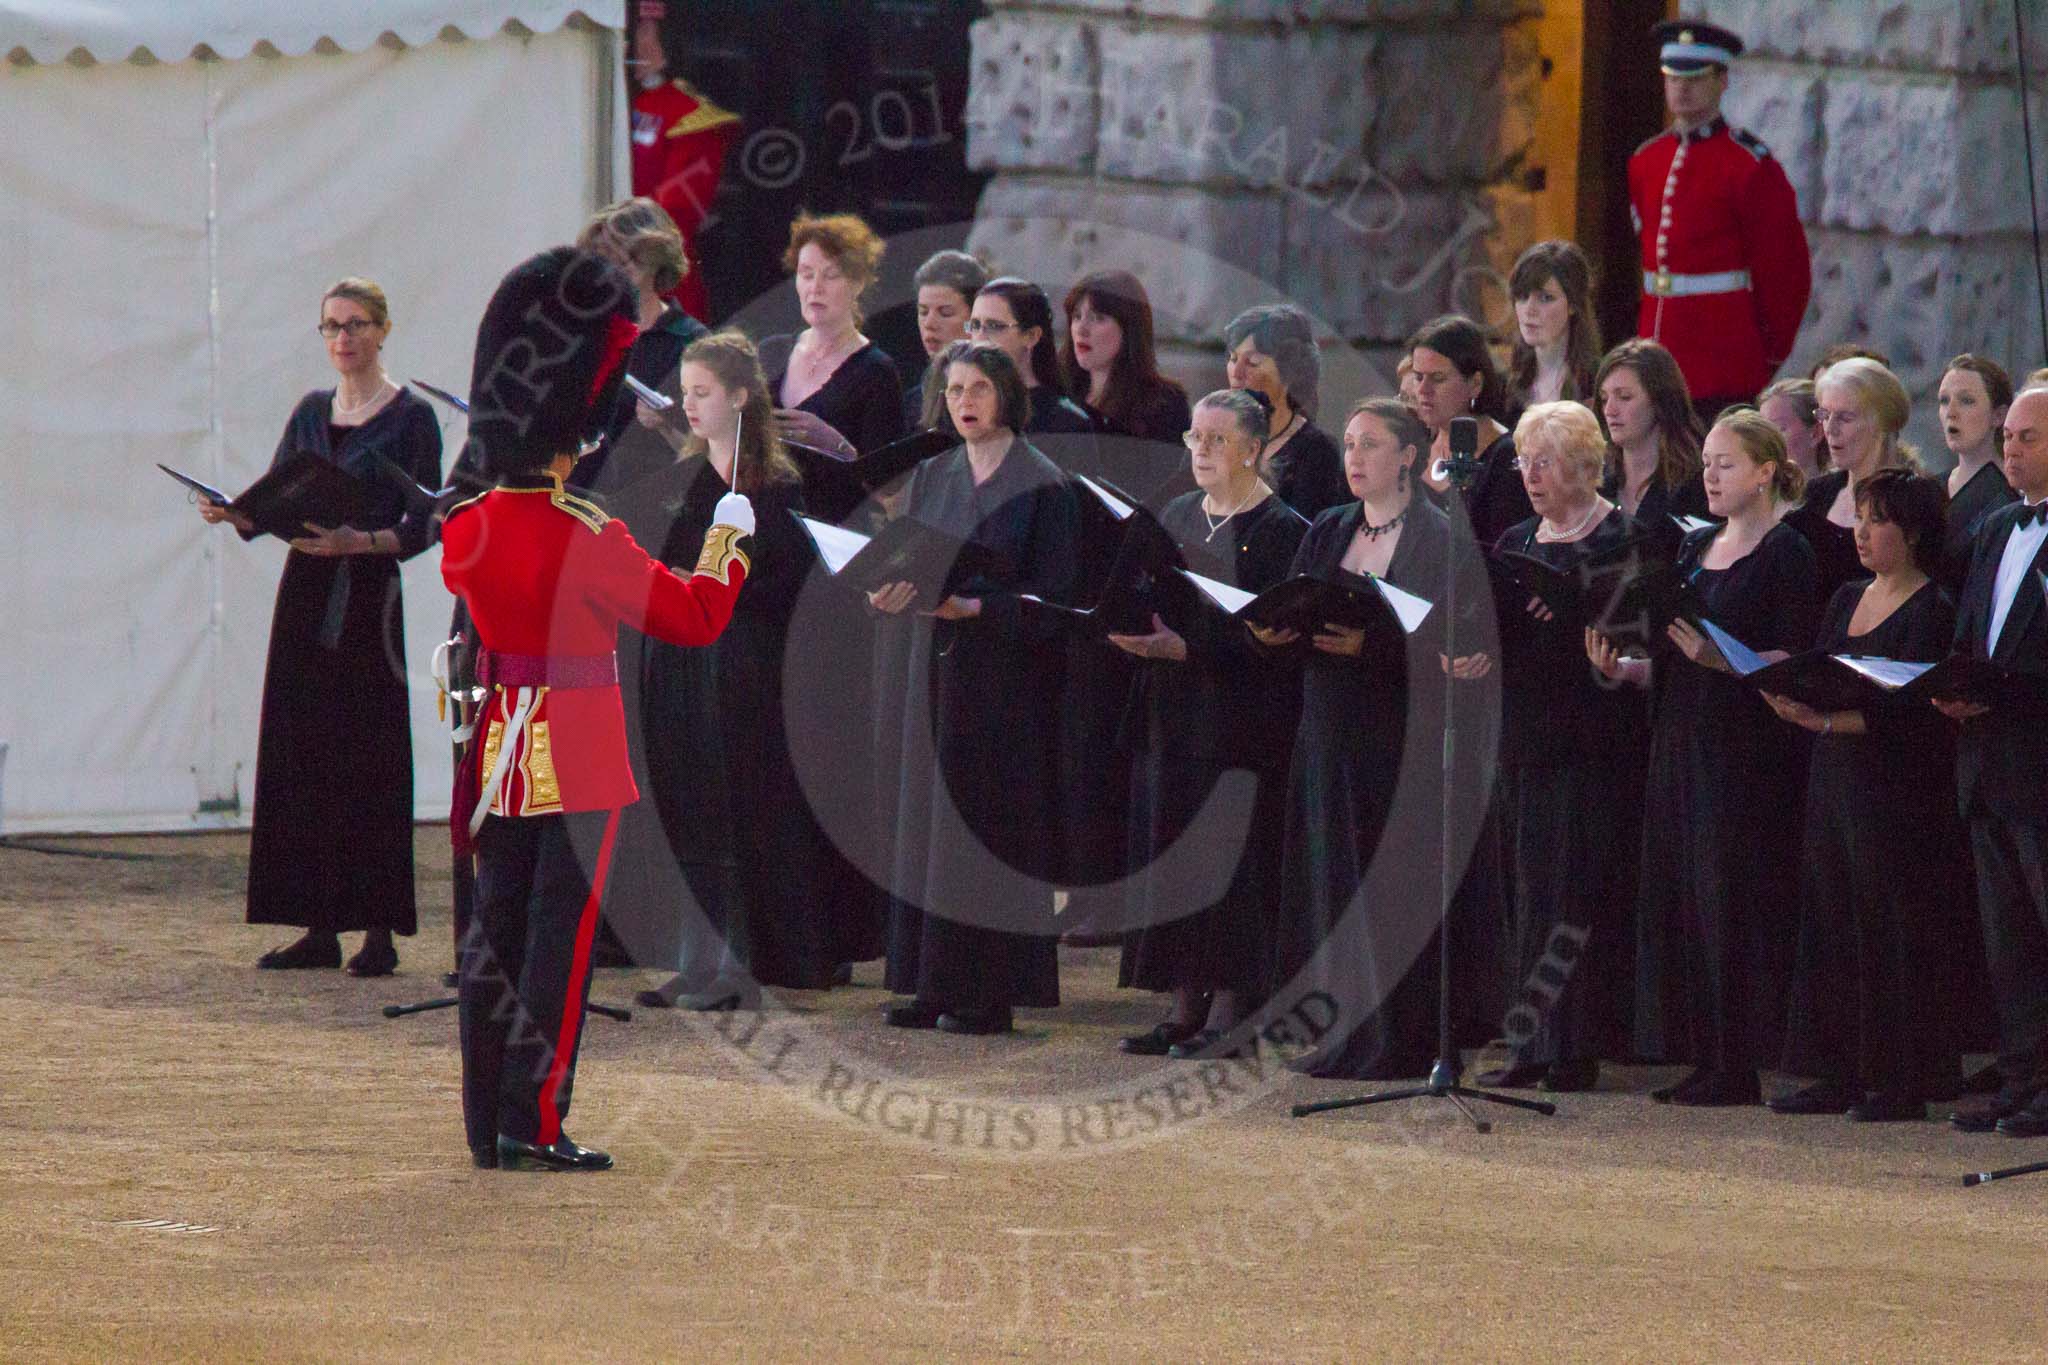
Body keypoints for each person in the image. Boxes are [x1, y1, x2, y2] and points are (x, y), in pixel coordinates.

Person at [442, 245, 752, 1171]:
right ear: (574, 433)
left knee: (492, 932)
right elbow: (692, 617)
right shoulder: (590, 531)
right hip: (574, 746)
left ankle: (484, 1120)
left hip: (500, 738)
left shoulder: (469, 526)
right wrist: (727, 539)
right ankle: (533, 1118)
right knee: (558, 943)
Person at [199, 278, 441, 977]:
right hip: (306, 591)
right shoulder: (310, 411)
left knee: (369, 751)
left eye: (358, 324)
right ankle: (318, 923)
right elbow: (281, 495)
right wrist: (240, 513)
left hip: (367, 593)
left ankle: (377, 929)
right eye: (332, 325)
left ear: (384, 330)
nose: (344, 337)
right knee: (304, 751)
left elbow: (424, 523)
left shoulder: (411, 418)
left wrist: (358, 544)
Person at [1262, 398, 1500, 1079]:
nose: (1355, 458)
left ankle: (1399, 1037)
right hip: (1327, 728)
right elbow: (1296, 598)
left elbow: (1454, 641)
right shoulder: (1330, 527)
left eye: (1371, 445)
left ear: (1407, 455)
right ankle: (1334, 1032)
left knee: (1388, 885)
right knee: (1329, 880)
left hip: (1397, 736)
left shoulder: (1437, 534)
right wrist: (1274, 629)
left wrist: (1373, 645)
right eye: (1350, 444)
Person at [1590, 408, 1817, 1106]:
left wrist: (1724, 660)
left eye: (1726, 464)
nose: (1710, 476)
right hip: (1682, 735)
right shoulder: (1695, 548)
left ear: (1767, 472)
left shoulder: (1786, 551)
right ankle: (1703, 1049)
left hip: (1745, 747)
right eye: (1708, 463)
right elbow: (1673, 649)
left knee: (1732, 899)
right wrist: (1628, 667)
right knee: (1686, 892)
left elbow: (1795, 654)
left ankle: (1740, 1058)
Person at [604, 332, 832, 1009]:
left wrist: (716, 580)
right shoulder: (687, 478)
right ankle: (694, 957)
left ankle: (738, 961)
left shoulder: (777, 484)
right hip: (681, 659)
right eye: (685, 392)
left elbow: (795, 581)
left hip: (745, 664)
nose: (688, 405)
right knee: (687, 805)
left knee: (738, 808)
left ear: (738, 396)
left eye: (701, 392)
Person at [872, 342, 1078, 1036]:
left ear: (1008, 396)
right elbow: (910, 555)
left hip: (1006, 683)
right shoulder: (935, 473)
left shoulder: (1045, 482)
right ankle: (932, 983)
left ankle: (986, 992)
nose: (964, 401)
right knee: (928, 822)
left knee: (988, 827)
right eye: (954, 388)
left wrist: (979, 608)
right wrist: (892, 589)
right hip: (937, 666)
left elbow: (1059, 600)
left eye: (979, 389)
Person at [1761, 470, 1970, 1121]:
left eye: (1875, 520)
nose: (1860, 531)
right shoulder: (1848, 595)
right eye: (1858, 518)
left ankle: (1900, 1078)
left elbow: (1918, 715)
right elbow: (1827, 672)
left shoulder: (1935, 609)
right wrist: (1793, 693)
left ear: (1911, 532)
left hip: (1897, 787)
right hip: (1835, 777)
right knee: (1831, 919)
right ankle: (1838, 1069)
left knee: (1892, 926)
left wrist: (1824, 719)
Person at [1108, 389, 1309, 1057]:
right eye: (1194, 436)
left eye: (1217, 439)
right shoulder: (1173, 515)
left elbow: (1278, 640)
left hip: (1238, 725)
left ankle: (1232, 1009)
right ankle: (1183, 1002)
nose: (1200, 449)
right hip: (1171, 714)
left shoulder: (1285, 530)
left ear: (1253, 448)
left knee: (1231, 863)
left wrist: (1191, 646)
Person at [1484, 402, 1643, 1093]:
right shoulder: (1516, 538)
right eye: (1524, 460)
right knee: (1522, 887)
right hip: (1521, 732)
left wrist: (1600, 639)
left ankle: (1572, 1043)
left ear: (1584, 464)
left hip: (1590, 737)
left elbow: (1639, 635)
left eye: (1545, 461)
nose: (1531, 474)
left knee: (1571, 890)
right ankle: (1526, 1041)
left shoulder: (1623, 539)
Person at [1940, 386, 2048, 1138]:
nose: (2010, 449)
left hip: (2039, 763)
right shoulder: (1995, 527)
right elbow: (1973, 633)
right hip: (1987, 766)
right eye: (2007, 436)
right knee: (2008, 944)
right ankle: (2023, 1079)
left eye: (2028, 437)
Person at [1629, 20, 1810, 417]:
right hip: (1654, 356)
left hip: (1721, 363)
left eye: (1695, 77)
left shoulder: (1749, 165)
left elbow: (1785, 275)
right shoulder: (1647, 161)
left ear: (1722, 80)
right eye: (1673, 77)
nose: (1682, 88)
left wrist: (1765, 357)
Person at [759, 212, 905, 498]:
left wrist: (836, 446)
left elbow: (890, 489)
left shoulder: (877, 372)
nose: (815, 287)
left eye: (831, 275)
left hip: (833, 528)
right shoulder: (771, 352)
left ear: (858, 283)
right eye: (806, 274)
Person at [571, 196, 709, 497]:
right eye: (602, 259)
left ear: (655, 260)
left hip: (650, 508)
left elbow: (712, 454)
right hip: (577, 504)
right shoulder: (582, 335)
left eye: (627, 259)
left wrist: (666, 425)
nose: (612, 270)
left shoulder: (690, 342)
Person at [626, 0, 739, 322]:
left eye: (649, 33)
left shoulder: (688, 116)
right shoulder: (609, 94)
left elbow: (677, 210)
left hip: (659, 275)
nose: (639, 44)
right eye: (637, 32)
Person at [1785, 357, 1921, 604]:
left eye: (1845, 418)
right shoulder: (1813, 494)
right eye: (1825, 415)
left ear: (1882, 422)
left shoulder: (1913, 501)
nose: (1830, 429)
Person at [1407, 313, 1534, 548]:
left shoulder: (1507, 456)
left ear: (1475, 384)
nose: (1423, 390)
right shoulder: (1416, 446)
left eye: (1438, 378)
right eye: (1418, 377)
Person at [1224, 304, 1347, 518]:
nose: (1236, 372)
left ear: (1290, 372)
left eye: (1252, 362)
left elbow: (1304, 536)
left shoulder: (1316, 450)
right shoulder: (1210, 432)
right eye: (1233, 359)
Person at [1595, 338, 1709, 554]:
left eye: (1624, 397)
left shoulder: (1698, 485)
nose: (1609, 410)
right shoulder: (1595, 482)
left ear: (1661, 400)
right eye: (1603, 399)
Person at [1061, 269, 1192, 451]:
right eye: (1077, 317)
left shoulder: (1165, 406)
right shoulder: (1059, 394)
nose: (1081, 329)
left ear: (1129, 328)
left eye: (1098, 318)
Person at [963, 277, 1094, 437]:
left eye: (994, 326)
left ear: (1031, 336)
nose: (980, 339)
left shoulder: (1066, 424)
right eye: (975, 326)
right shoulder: (962, 410)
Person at [1936, 354, 2017, 594]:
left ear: (1998, 415)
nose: (1950, 412)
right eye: (1943, 400)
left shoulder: (2017, 491)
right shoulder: (1930, 489)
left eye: (1966, 401)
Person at [1505, 240, 1602, 414]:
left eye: (1545, 298)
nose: (1529, 310)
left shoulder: (1598, 385)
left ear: (1573, 303)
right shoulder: (1507, 385)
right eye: (1522, 296)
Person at [901, 250, 989, 430]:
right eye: (923, 312)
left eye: (945, 313)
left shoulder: (998, 398)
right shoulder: (912, 403)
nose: (929, 324)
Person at [1758, 377, 1828, 482]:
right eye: (1760, 431)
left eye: (1778, 430)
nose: (1763, 441)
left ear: (1816, 433)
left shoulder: (1841, 495)